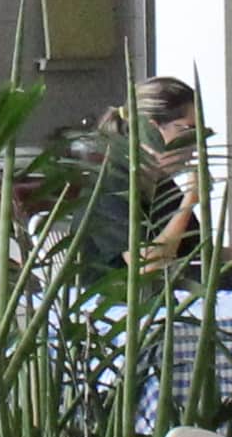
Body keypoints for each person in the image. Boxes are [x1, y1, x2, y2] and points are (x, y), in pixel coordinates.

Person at [68, 76, 206, 286]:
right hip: (112, 303)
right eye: (188, 131)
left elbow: (190, 254)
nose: (196, 144)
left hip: (168, 299)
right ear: (151, 129)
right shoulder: (109, 188)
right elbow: (147, 265)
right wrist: (191, 198)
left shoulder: (160, 185)